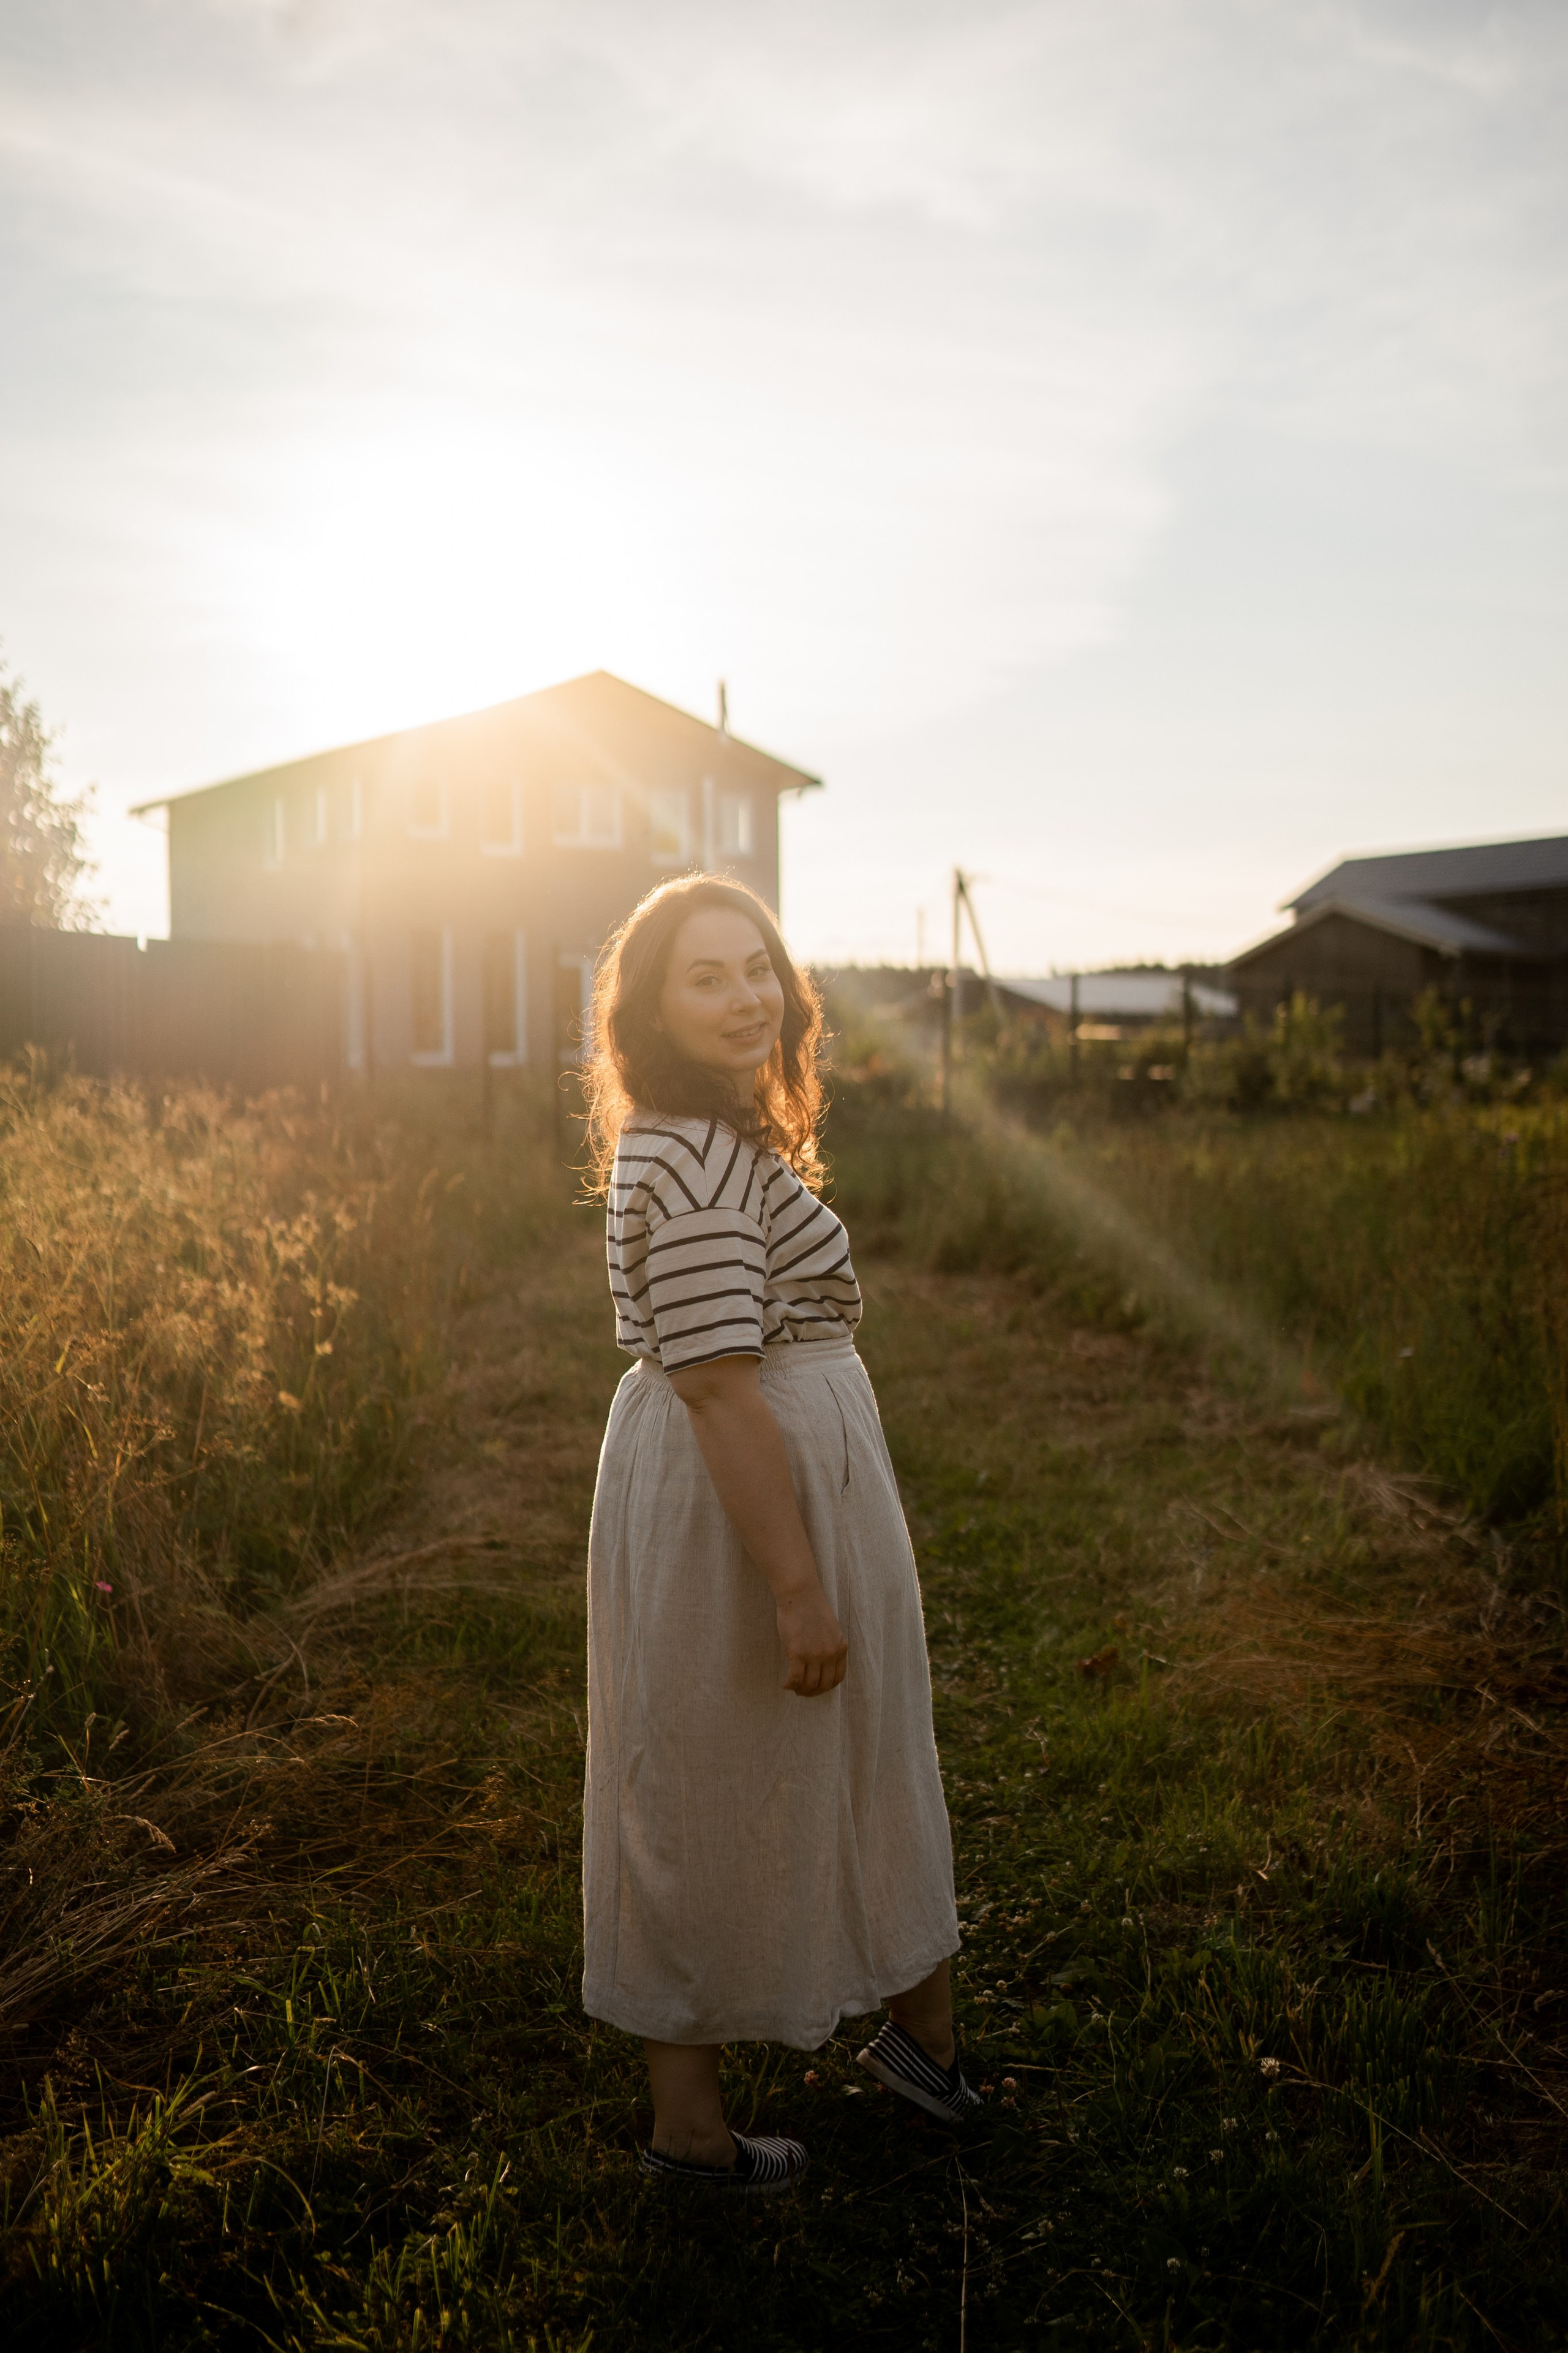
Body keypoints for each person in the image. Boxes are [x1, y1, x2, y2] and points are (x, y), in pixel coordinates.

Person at [580, 873, 976, 2192]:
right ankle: (690, 2136)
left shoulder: (710, 1133)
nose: (747, 993)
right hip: (735, 1494)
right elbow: (713, 1383)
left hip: (782, 1464)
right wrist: (794, 1586)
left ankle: (921, 2040)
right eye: (706, 976)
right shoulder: (687, 1158)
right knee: (698, 1776)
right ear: (648, 1007)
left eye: (758, 965)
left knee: (856, 1741)